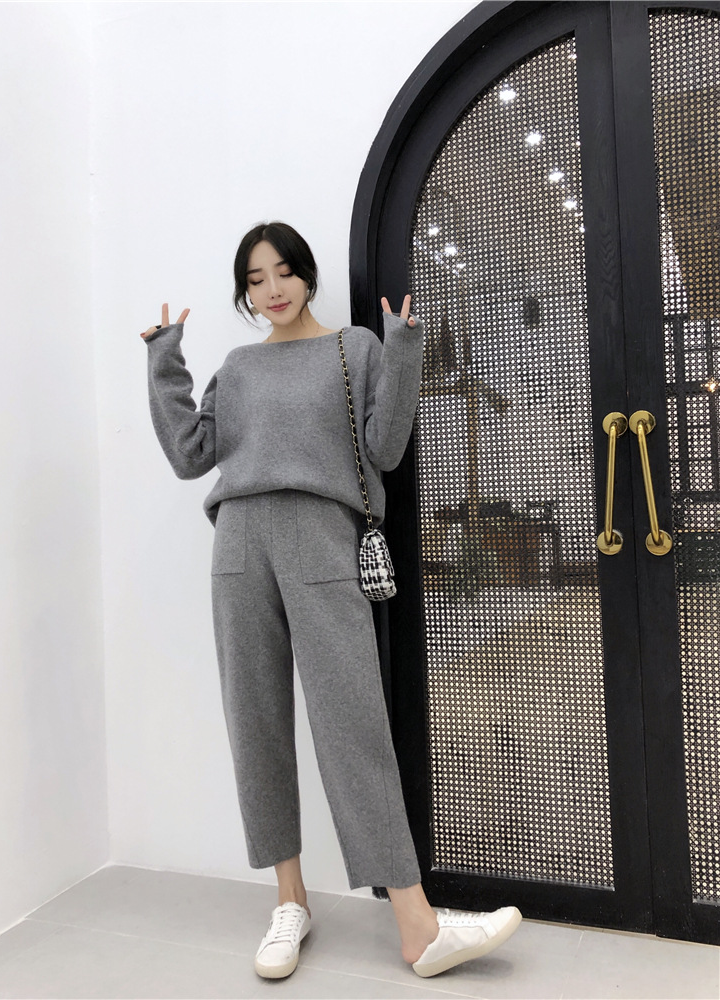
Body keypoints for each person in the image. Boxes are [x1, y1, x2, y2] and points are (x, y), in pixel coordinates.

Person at [140, 221, 521, 980]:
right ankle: (290, 902)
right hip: (240, 544)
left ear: (307, 275)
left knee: (353, 722)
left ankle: (415, 922)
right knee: (255, 719)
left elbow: (385, 447)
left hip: (322, 540)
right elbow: (190, 455)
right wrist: (164, 361)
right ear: (245, 294)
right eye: (255, 280)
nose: (272, 289)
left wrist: (403, 348)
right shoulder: (239, 367)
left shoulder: (355, 349)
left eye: (283, 272)